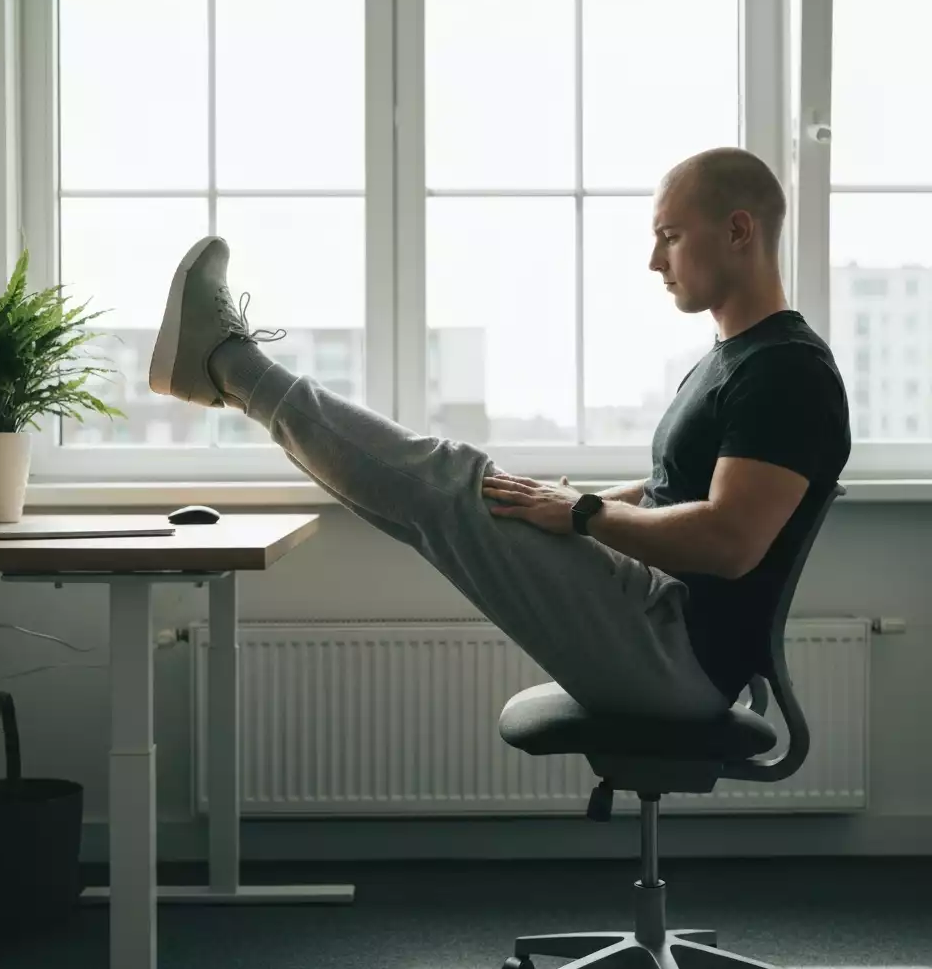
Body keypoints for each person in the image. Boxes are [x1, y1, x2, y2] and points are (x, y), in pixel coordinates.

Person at [148, 147, 850, 721]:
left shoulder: (787, 371)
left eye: (669, 235)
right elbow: (676, 491)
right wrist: (574, 501)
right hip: (660, 623)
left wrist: (584, 513)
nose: (654, 260)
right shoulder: (738, 361)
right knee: (438, 505)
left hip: (677, 654)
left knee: (452, 483)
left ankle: (230, 365)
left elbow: (730, 542)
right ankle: (229, 377)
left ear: (737, 231)